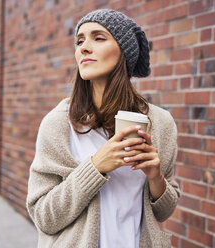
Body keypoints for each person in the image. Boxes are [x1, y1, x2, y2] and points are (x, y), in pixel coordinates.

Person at [27, 9, 180, 248]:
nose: (84, 48)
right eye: (80, 41)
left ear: (124, 53)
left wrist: (155, 176)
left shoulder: (160, 123)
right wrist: (96, 166)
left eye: (98, 38)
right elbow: (44, 217)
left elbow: (163, 212)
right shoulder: (58, 123)